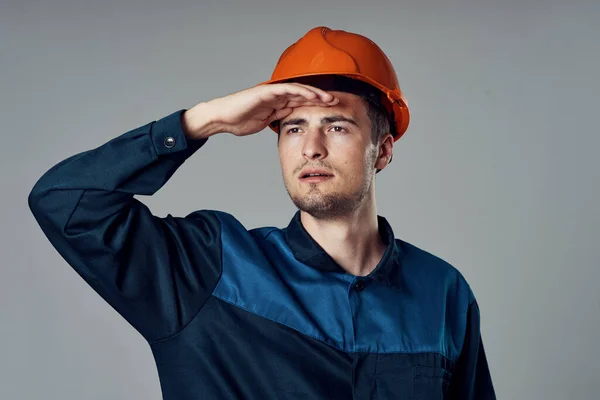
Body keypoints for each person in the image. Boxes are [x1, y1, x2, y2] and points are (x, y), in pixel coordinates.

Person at [28, 26, 495, 399]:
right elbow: (64, 200)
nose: (311, 148)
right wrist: (203, 120)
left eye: (336, 125)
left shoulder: (443, 294)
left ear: (383, 150)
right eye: (293, 128)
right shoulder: (205, 268)